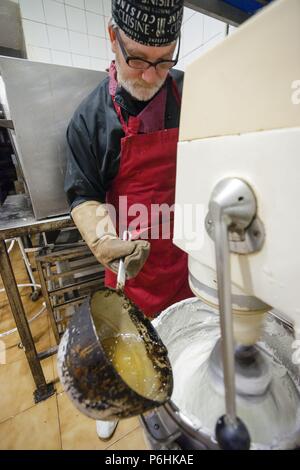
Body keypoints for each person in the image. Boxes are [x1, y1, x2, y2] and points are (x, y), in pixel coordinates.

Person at [64, 0, 193, 441]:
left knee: (179, 348)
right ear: (111, 37)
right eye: (137, 58)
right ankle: (114, 403)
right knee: (123, 349)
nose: (151, 75)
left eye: (163, 61)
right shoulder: (89, 118)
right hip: (129, 267)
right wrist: (104, 239)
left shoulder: (189, 94)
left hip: (183, 257)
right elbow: (83, 194)